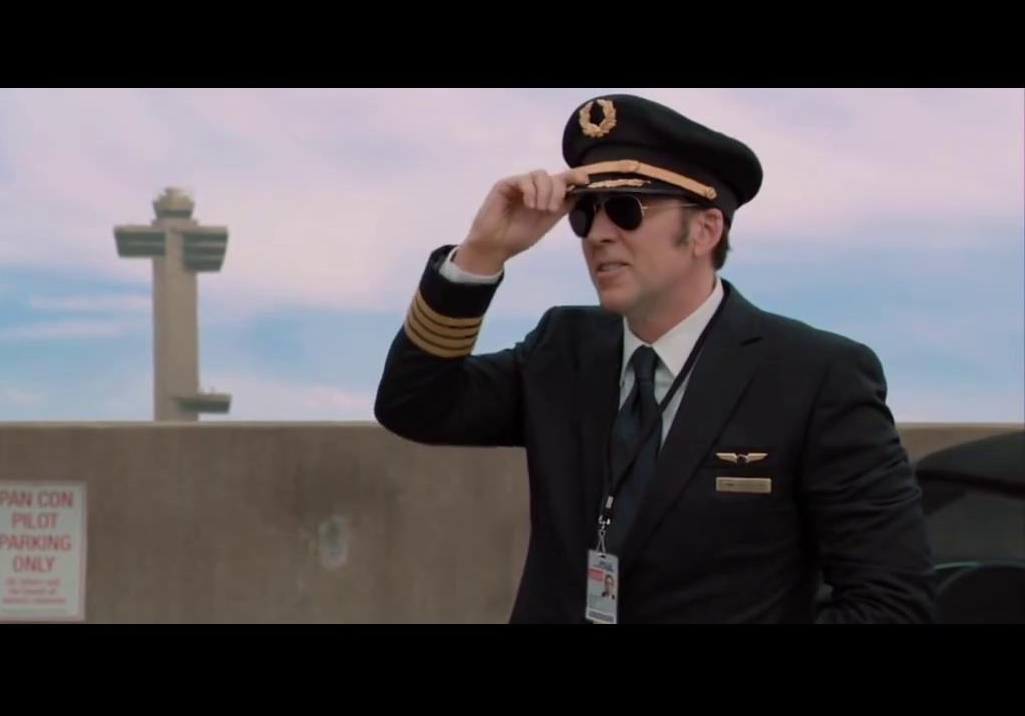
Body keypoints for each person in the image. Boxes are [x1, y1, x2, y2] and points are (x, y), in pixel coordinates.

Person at [373, 93, 936, 624]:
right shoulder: (563, 349)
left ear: (704, 230)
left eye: (626, 210)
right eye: (584, 214)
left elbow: (890, 604)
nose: (597, 234)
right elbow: (414, 404)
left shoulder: (814, 377)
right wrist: (481, 253)